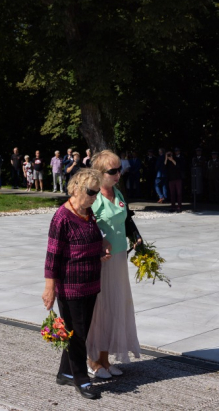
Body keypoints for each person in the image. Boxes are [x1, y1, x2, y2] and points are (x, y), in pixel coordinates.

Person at [42, 168, 110, 400]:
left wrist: (102, 246)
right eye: (91, 192)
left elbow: (92, 238)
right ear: (78, 189)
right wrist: (49, 288)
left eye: (97, 192)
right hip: (71, 286)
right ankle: (81, 378)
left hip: (90, 282)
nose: (95, 197)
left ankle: (65, 372)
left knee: (77, 331)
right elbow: (52, 256)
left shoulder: (88, 212)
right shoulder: (62, 217)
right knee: (77, 334)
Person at [87, 150, 141, 378]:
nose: (118, 174)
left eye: (120, 169)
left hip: (118, 259)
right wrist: (99, 241)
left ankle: (106, 360)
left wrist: (136, 236)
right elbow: (85, 224)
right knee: (99, 308)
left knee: (115, 307)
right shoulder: (92, 196)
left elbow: (126, 218)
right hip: (99, 261)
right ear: (99, 173)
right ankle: (92, 361)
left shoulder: (117, 192)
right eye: (113, 171)